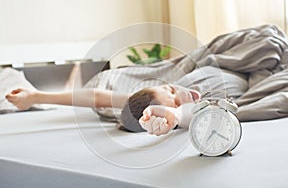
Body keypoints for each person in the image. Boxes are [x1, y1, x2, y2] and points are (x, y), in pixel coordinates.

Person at [5, 84, 201, 136]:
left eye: (171, 89)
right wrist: (176, 113)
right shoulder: (155, 111)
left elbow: (98, 97)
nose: (181, 97)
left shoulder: (143, 97)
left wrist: (36, 96)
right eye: (176, 103)